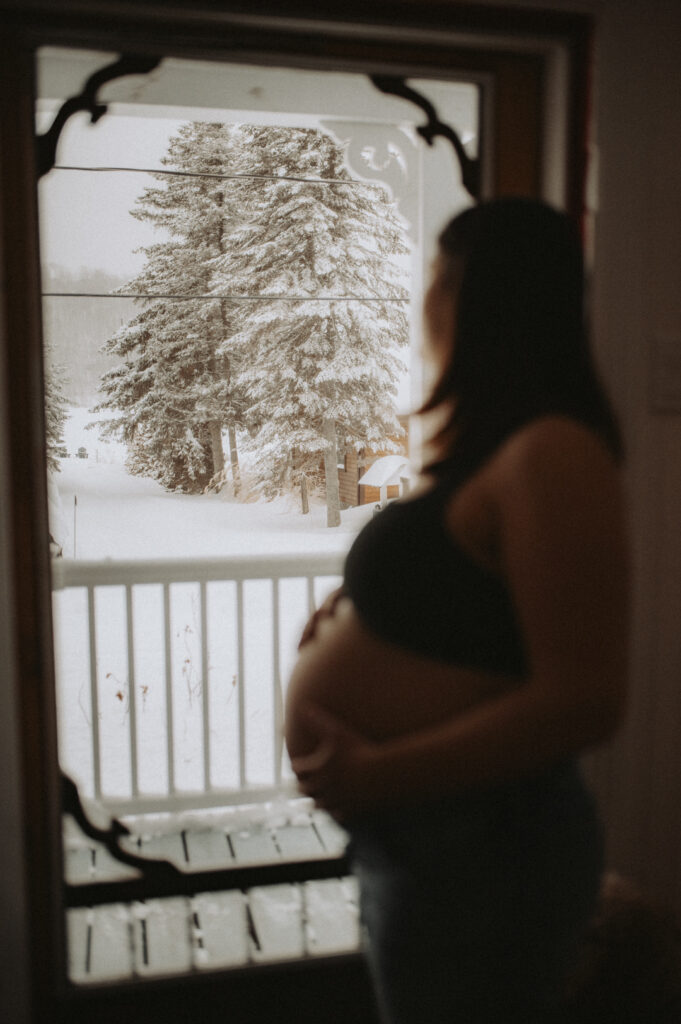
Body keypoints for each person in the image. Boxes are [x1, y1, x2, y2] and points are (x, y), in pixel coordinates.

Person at [285, 198, 629, 1024]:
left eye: (436, 275)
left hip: (484, 844)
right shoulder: (491, 449)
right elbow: (466, 595)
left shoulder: (552, 450)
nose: (423, 300)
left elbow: (586, 700)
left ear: (477, 293)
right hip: (432, 838)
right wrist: (359, 602)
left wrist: (376, 774)